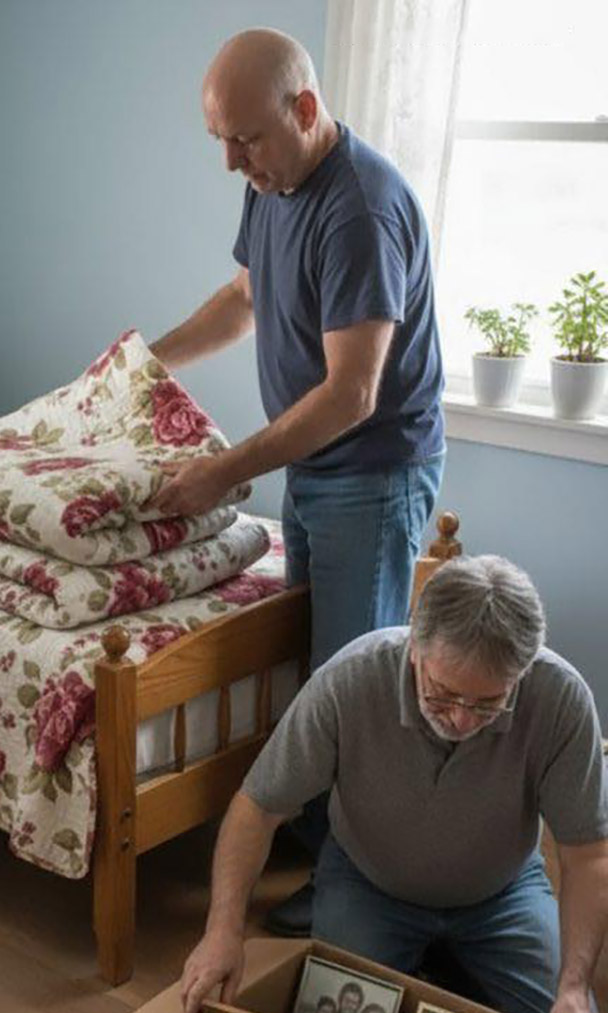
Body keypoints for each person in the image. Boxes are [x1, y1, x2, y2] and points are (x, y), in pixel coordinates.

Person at [150, 28, 446, 936]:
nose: (233, 163)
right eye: (221, 143)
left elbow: (353, 394)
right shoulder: (274, 183)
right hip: (315, 472)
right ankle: (316, 834)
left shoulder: (359, 207)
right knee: (314, 670)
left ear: (306, 110)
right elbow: (244, 297)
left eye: (245, 140)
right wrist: (144, 363)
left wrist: (223, 472)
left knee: (356, 686)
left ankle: (354, 883)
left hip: (370, 471)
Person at [179, 555, 608, 1013]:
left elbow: (588, 854)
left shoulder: (562, 698)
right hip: (369, 884)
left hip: (502, 895)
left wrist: (573, 985)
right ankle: (440, 974)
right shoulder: (349, 680)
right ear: (414, 648)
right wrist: (222, 931)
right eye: (444, 693)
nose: (461, 721)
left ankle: (446, 974)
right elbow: (257, 808)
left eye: (489, 704)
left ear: (522, 674)